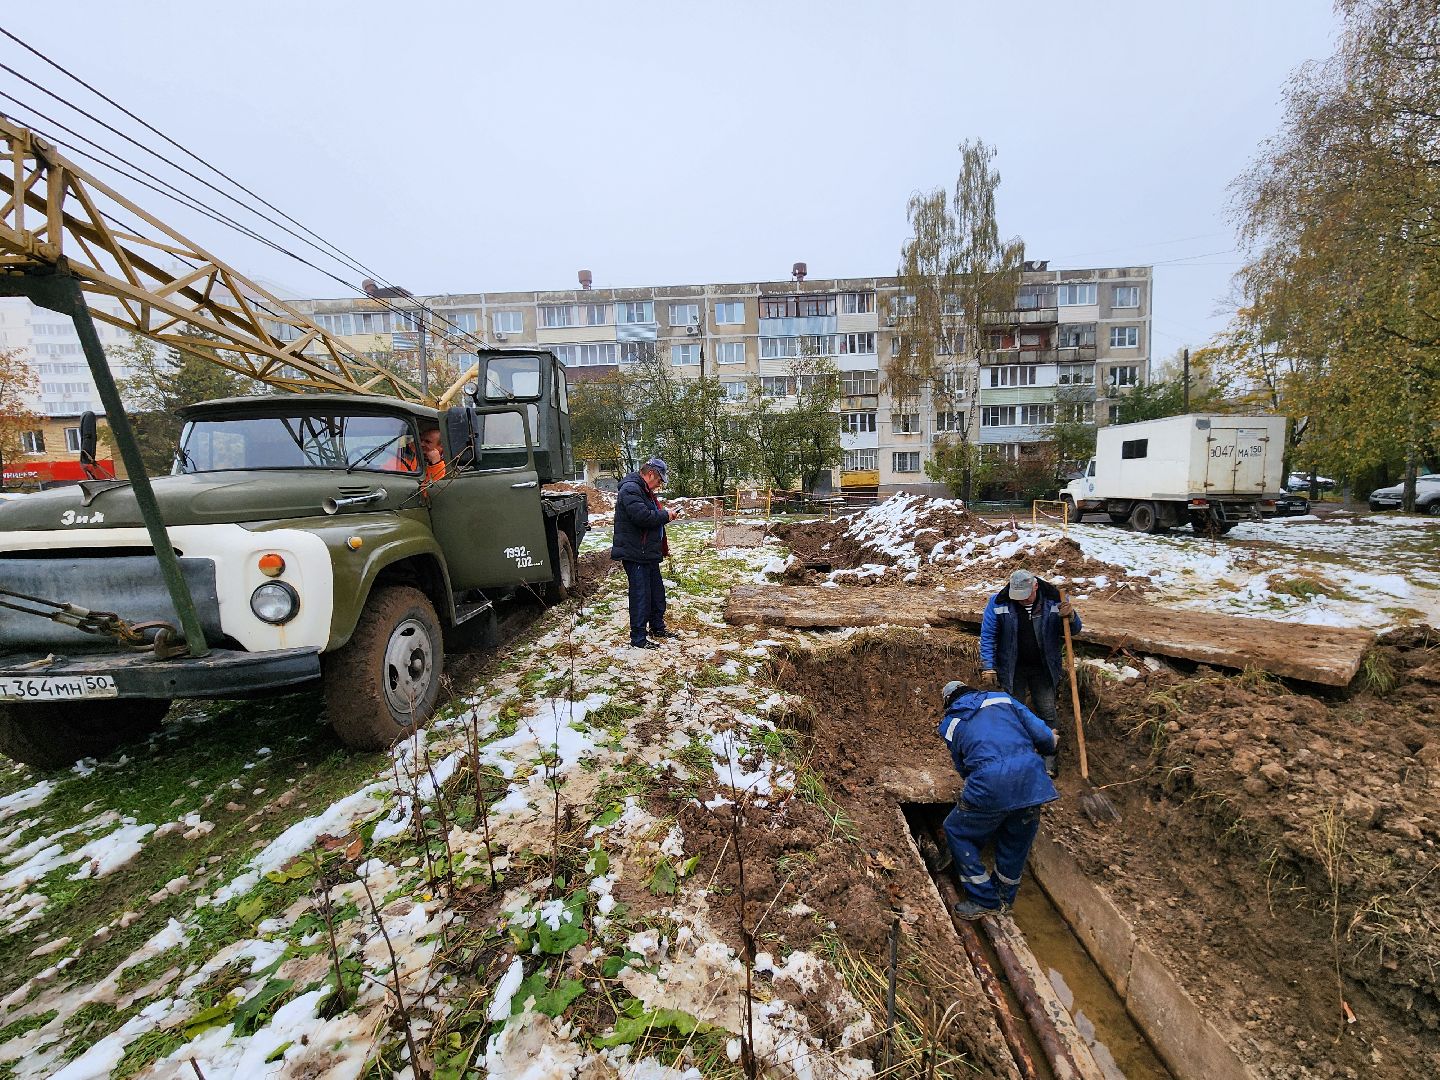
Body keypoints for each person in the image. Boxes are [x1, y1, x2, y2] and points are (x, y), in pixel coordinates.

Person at [938, 679, 1059, 919]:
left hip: (989, 786)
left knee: (957, 830)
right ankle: (1004, 899)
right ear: (972, 690)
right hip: (1031, 784)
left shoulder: (950, 724)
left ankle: (984, 899)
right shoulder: (1003, 699)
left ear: (948, 702)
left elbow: (962, 767)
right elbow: (1045, 738)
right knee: (1014, 842)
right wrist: (1049, 742)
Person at [978, 569, 1079, 777]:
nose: (1022, 601)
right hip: (1012, 668)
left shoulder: (1055, 599)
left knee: (1047, 711)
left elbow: (1074, 630)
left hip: (1043, 668)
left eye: (1025, 596)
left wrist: (1072, 616)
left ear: (1035, 586)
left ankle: (1048, 759)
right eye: (1018, 597)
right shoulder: (999, 602)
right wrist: (988, 665)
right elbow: (988, 635)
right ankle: (1016, 759)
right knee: (1013, 713)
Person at [611, 457, 680, 649]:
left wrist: (664, 515)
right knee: (640, 595)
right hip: (635, 553)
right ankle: (638, 639)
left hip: (647, 552)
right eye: (659, 481)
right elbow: (642, 517)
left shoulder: (644, 490)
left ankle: (657, 627)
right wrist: (665, 515)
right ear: (650, 474)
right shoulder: (631, 489)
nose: (659, 485)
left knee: (656, 594)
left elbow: (648, 515)